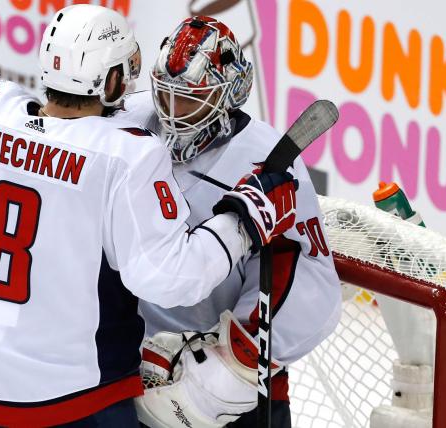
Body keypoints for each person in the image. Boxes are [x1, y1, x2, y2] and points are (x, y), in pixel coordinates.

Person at [0, 5, 300, 428]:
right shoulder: (125, 155)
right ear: (110, 80)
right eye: (126, 73)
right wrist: (244, 219)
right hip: (75, 406)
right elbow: (168, 277)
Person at [113, 16, 342, 428]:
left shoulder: (266, 160)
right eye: (166, 95)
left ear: (229, 96)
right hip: (130, 369)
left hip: (226, 394)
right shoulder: (131, 122)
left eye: (190, 99)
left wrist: (232, 359)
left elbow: (308, 275)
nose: (172, 112)